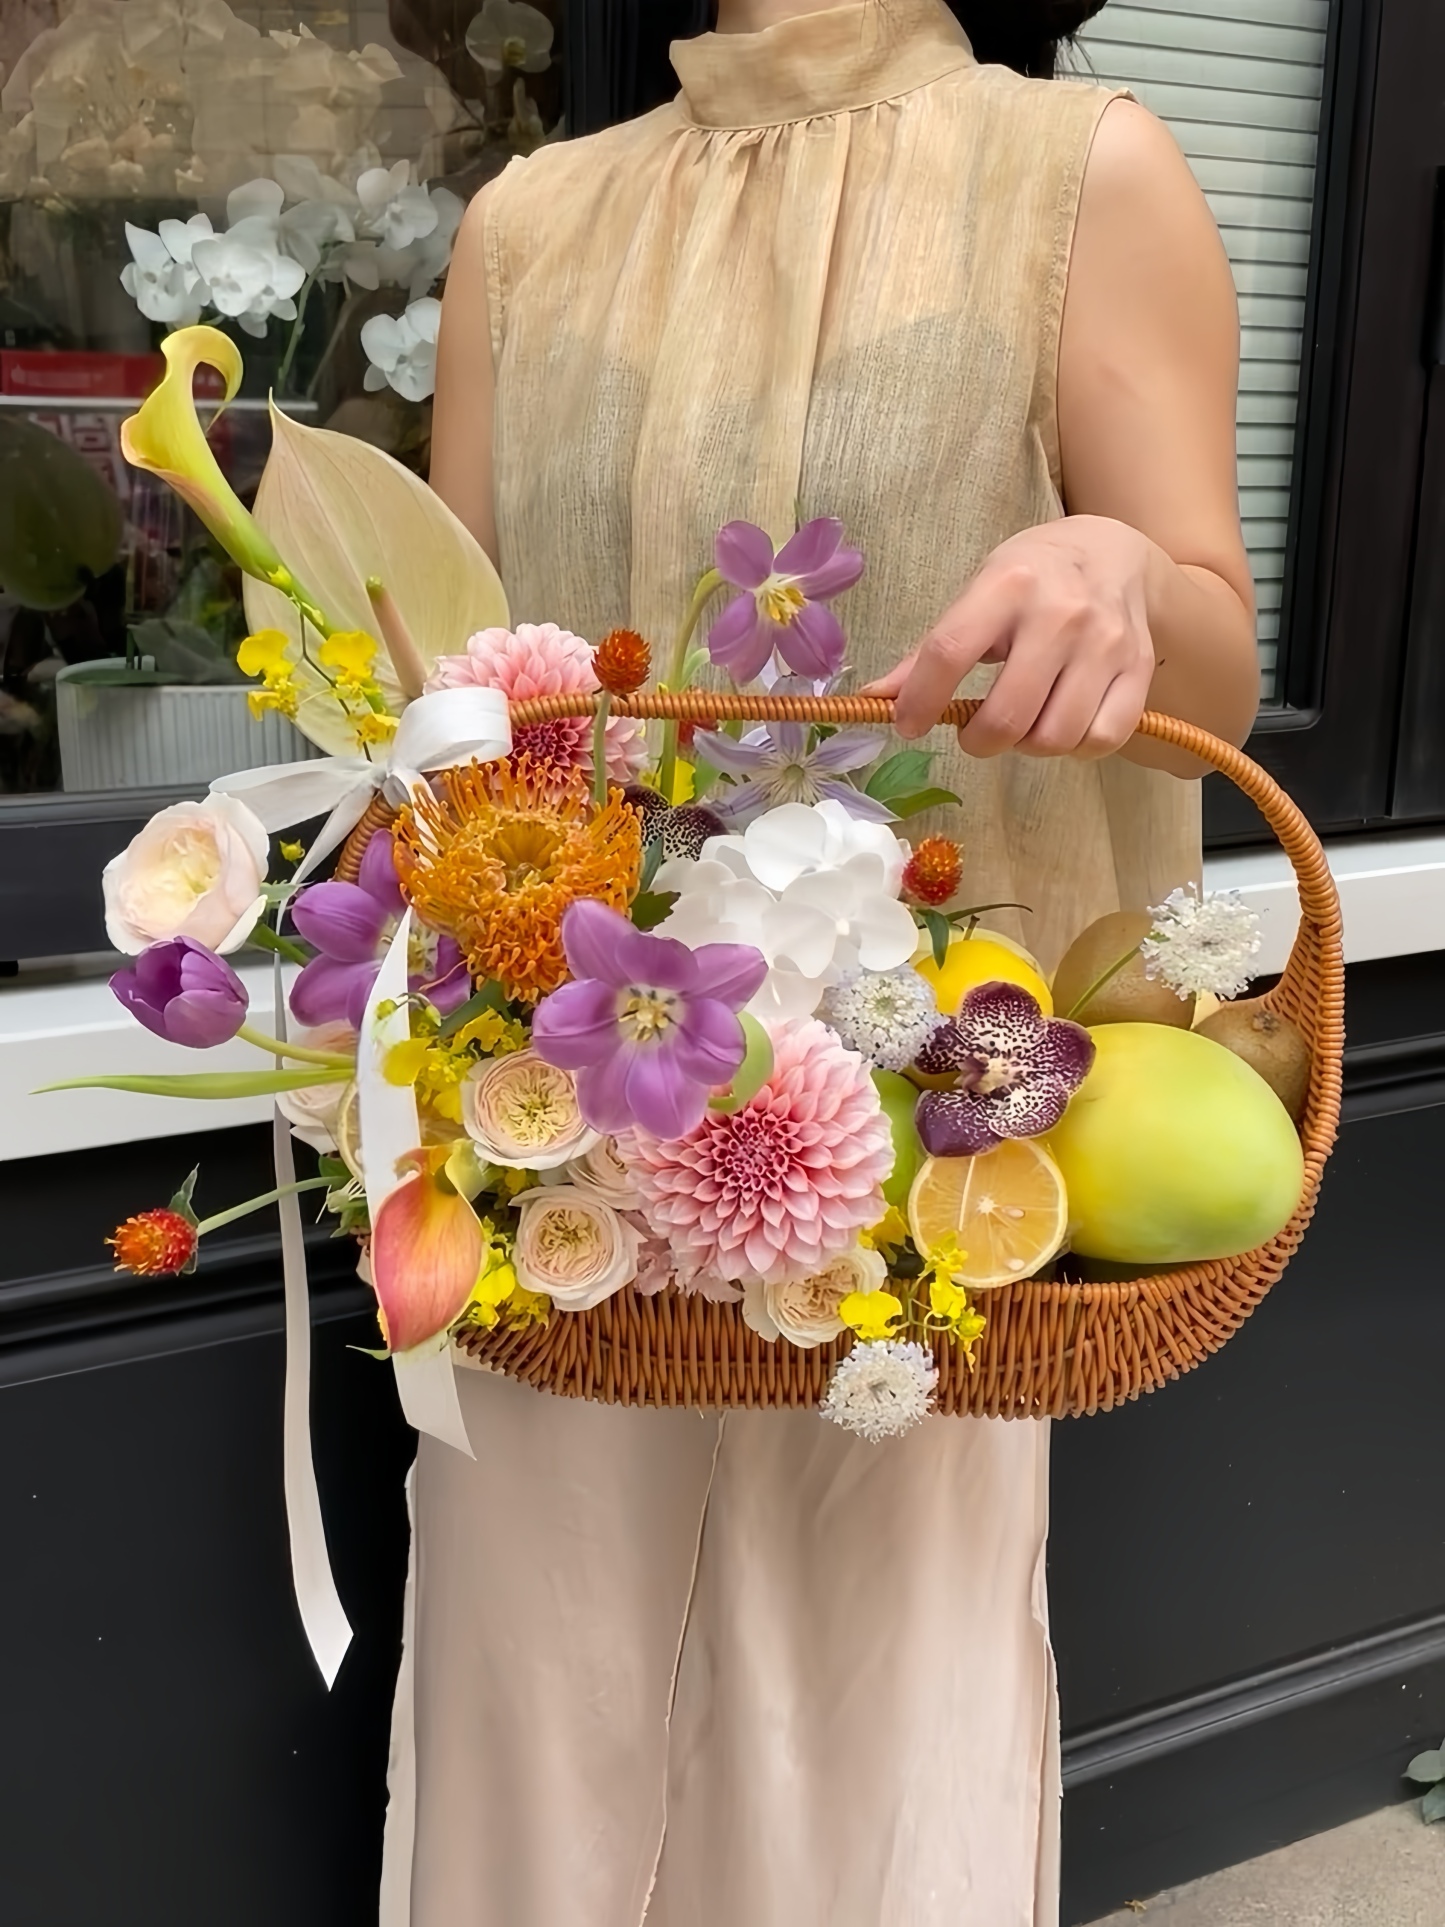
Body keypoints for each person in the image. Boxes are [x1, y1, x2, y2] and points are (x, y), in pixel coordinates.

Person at [382, 3, 1261, 1922]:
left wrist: (1119, 569)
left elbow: (1216, 651)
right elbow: (452, 697)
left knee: (870, 1748)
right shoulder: (525, 223)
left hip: (915, 1169)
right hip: (558, 1156)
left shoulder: (1073, 167)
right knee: (534, 1713)